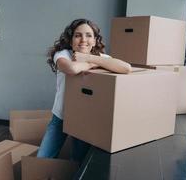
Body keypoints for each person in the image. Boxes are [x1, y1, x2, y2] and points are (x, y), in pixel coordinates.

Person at [37, 18, 131, 163]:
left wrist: (89, 58)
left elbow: (126, 68)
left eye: (88, 35)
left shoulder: (100, 57)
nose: (83, 40)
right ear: (71, 40)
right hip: (61, 117)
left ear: (94, 40)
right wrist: (92, 64)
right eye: (77, 35)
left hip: (84, 119)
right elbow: (72, 68)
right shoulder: (63, 55)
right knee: (42, 159)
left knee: (78, 161)